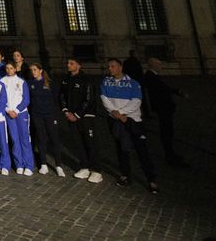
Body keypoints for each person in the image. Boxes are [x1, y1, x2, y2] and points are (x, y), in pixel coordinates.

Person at [100, 58, 156, 193]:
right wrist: (116, 113)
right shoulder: (106, 82)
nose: (110, 69)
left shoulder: (133, 83)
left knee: (141, 150)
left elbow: (136, 101)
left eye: (113, 66)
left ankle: (151, 180)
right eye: (109, 67)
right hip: (116, 120)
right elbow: (104, 98)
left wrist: (122, 113)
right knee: (121, 149)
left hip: (132, 120)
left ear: (120, 67)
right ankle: (125, 175)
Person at [59, 57, 103, 183]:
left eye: (71, 63)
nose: (68, 65)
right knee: (78, 142)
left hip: (86, 116)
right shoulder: (66, 79)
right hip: (71, 116)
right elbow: (61, 95)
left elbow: (89, 99)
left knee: (90, 142)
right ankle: (84, 166)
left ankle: (96, 170)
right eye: (68, 63)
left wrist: (77, 114)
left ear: (78, 65)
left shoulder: (86, 79)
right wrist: (66, 110)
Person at [141, 57, 188, 166]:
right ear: (153, 65)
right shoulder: (151, 77)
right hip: (162, 107)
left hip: (163, 106)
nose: (161, 66)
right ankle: (169, 154)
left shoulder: (152, 76)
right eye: (159, 64)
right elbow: (163, 89)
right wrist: (177, 92)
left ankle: (170, 153)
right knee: (166, 131)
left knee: (167, 130)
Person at [28, 62, 65, 176]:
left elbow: (56, 99)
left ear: (41, 70)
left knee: (54, 138)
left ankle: (58, 165)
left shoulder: (50, 83)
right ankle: (43, 164)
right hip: (37, 115)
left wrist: (55, 115)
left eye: (35, 69)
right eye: (31, 70)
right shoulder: (30, 84)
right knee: (41, 138)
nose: (33, 72)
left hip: (50, 114)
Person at [1, 62, 34, 176]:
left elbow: (26, 100)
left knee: (24, 139)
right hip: (9, 114)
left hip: (21, 114)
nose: (9, 70)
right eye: (7, 68)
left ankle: (29, 165)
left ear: (15, 69)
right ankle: (19, 164)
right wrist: (8, 110)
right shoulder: (2, 81)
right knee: (14, 140)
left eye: (11, 68)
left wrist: (16, 110)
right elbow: (1, 99)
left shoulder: (21, 82)